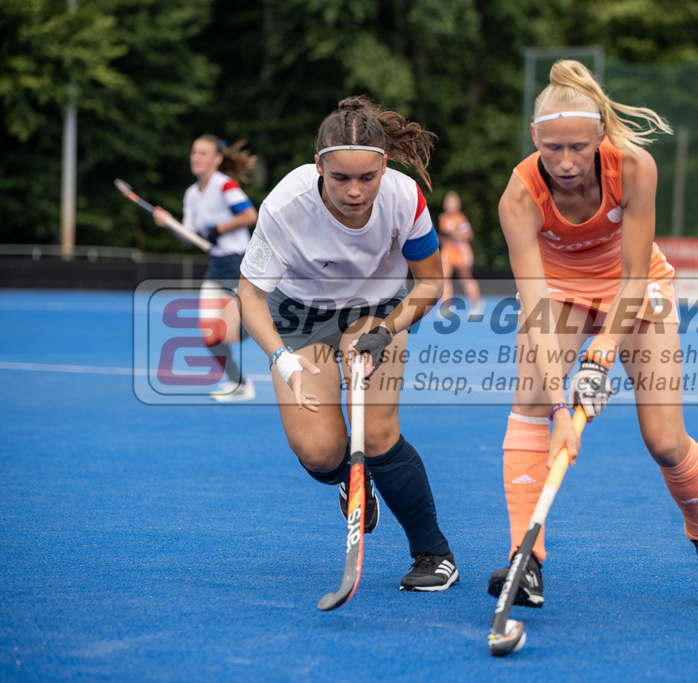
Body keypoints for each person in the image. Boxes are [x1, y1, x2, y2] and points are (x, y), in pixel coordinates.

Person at [488, 60, 698, 609]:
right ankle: (523, 559)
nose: (565, 161)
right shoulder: (519, 196)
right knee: (532, 403)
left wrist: (601, 356)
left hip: (635, 286)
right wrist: (561, 407)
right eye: (552, 148)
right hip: (558, 292)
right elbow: (534, 310)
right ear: (535, 139)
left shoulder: (633, 168)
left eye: (578, 147)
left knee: (666, 442)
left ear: (600, 133)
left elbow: (632, 274)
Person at [237, 96, 459, 592]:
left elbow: (429, 284)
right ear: (319, 166)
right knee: (319, 451)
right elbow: (249, 293)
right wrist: (282, 359)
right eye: (341, 178)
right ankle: (349, 478)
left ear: (385, 165)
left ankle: (434, 553)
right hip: (300, 317)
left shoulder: (407, 199)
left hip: (375, 312)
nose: (355, 191)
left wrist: (386, 329)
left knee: (376, 435)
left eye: (368, 177)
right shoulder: (285, 206)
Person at [153, 135, 259, 402]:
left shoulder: (225, 185)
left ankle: (267, 321)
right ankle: (239, 384)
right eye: (194, 152)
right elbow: (189, 236)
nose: (196, 158)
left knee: (236, 331)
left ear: (217, 159)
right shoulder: (191, 194)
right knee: (210, 334)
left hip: (238, 264)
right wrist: (168, 223)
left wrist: (219, 229)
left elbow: (250, 215)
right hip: (216, 268)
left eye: (203, 153)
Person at [437, 191, 483, 318]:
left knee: (465, 279)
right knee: (444, 279)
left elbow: (469, 235)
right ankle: (446, 306)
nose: (450, 205)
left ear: (458, 205)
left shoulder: (461, 219)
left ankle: (476, 304)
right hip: (448, 252)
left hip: (462, 253)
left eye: (453, 203)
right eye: (448, 203)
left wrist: (455, 236)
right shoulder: (443, 218)